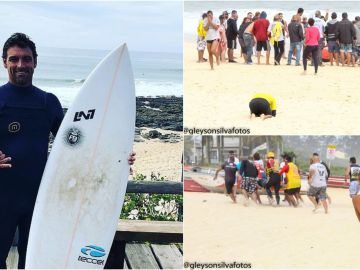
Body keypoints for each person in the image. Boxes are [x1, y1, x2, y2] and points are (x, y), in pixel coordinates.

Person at [0, 33, 136, 269]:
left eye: (26, 59)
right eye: (14, 59)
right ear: (4, 62)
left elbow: (76, 142)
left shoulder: (47, 102)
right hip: (2, 198)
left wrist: (116, 155)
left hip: (41, 199)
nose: (20, 65)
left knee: (34, 260)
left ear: (35, 61)